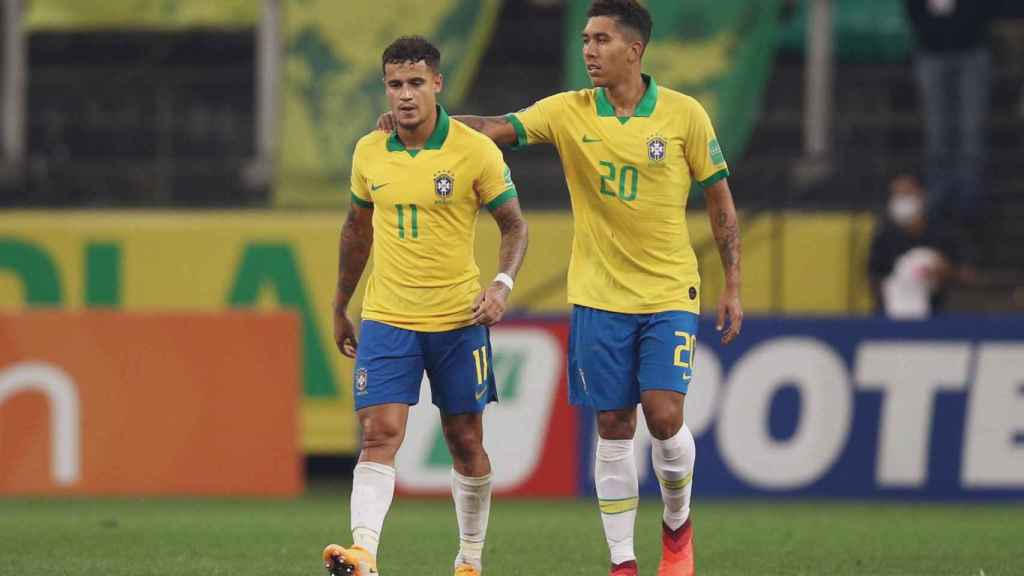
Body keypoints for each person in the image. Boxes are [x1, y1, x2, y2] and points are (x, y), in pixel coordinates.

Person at [379, 2, 743, 574]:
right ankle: (623, 562)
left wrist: (734, 285)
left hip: (671, 291)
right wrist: (418, 119)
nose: (589, 51)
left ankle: (676, 525)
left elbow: (719, 201)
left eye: (601, 40)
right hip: (598, 296)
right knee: (613, 423)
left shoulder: (684, 115)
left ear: (634, 49)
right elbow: (493, 128)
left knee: (665, 415)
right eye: (585, 39)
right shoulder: (570, 111)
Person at [324, 36, 529, 576]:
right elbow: (355, 231)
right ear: (385, 88)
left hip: (458, 320)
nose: (405, 95)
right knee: (379, 434)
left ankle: (470, 559)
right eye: (395, 85)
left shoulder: (475, 150)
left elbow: (514, 225)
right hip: (388, 317)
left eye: (416, 83)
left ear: (438, 83)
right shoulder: (369, 150)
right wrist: (342, 303)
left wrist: (502, 284)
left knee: (465, 440)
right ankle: (364, 552)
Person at [905, 0, 998, 227]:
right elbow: (914, 9)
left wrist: (962, 30)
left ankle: (969, 201)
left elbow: (985, 9)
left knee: (972, 131)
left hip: (972, 51)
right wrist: (934, 34)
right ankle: (939, 199)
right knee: (937, 132)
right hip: (932, 52)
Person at [868, 173, 963, 318]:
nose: (902, 201)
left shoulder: (942, 232)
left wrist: (944, 272)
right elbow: (873, 275)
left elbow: (962, 272)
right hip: (894, 314)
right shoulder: (884, 236)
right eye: (897, 195)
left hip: (938, 313)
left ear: (921, 195)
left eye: (906, 194)